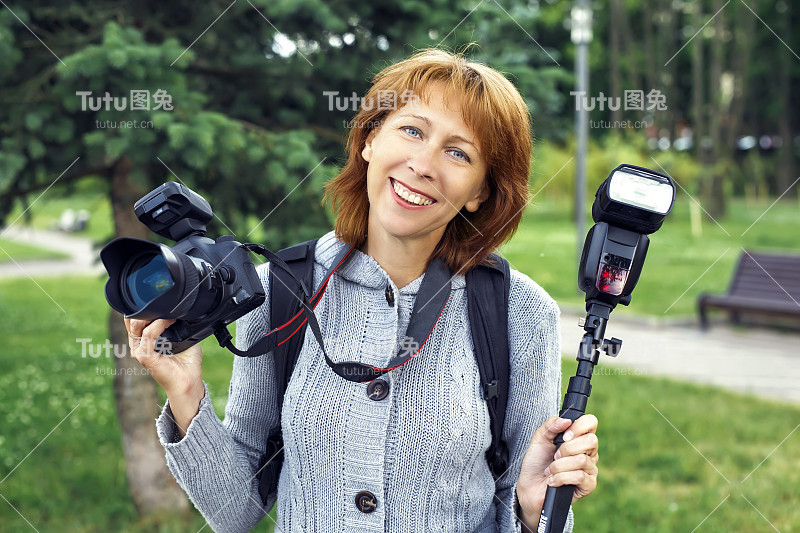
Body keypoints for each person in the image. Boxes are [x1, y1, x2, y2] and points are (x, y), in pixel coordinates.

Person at [126, 48, 599, 533]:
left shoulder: (517, 312)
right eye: (412, 130)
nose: (423, 164)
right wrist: (185, 391)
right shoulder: (280, 291)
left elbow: (522, 501)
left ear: (480, 192)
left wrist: (531, 511)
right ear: (371, 139)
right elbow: (238, 511)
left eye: (458, 153)